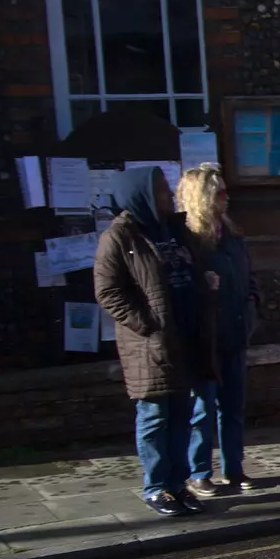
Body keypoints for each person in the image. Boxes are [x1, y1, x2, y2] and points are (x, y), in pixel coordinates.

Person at [93, 166, 217, 517]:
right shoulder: (119, 237)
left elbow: (193, 268)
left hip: (187, 336)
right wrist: (147, 326)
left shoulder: (176, 230)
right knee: (154, 416)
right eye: (163, 190)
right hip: (151, 343)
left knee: (181, 414)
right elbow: (108, 291)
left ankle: (179, 484)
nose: (170, 195)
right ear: (142, 195)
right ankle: (156, 487)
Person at [179, 165, 260, 497]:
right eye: (220, 193)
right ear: (203, 197)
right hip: (206, 337)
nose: (227, 199)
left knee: (233, 407)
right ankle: (198, 472)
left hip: (236, 331)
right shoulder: (190, 239)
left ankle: (234, 469)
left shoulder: (231, 233)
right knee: (203, 408)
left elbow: (247, 272)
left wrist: (253, 300)